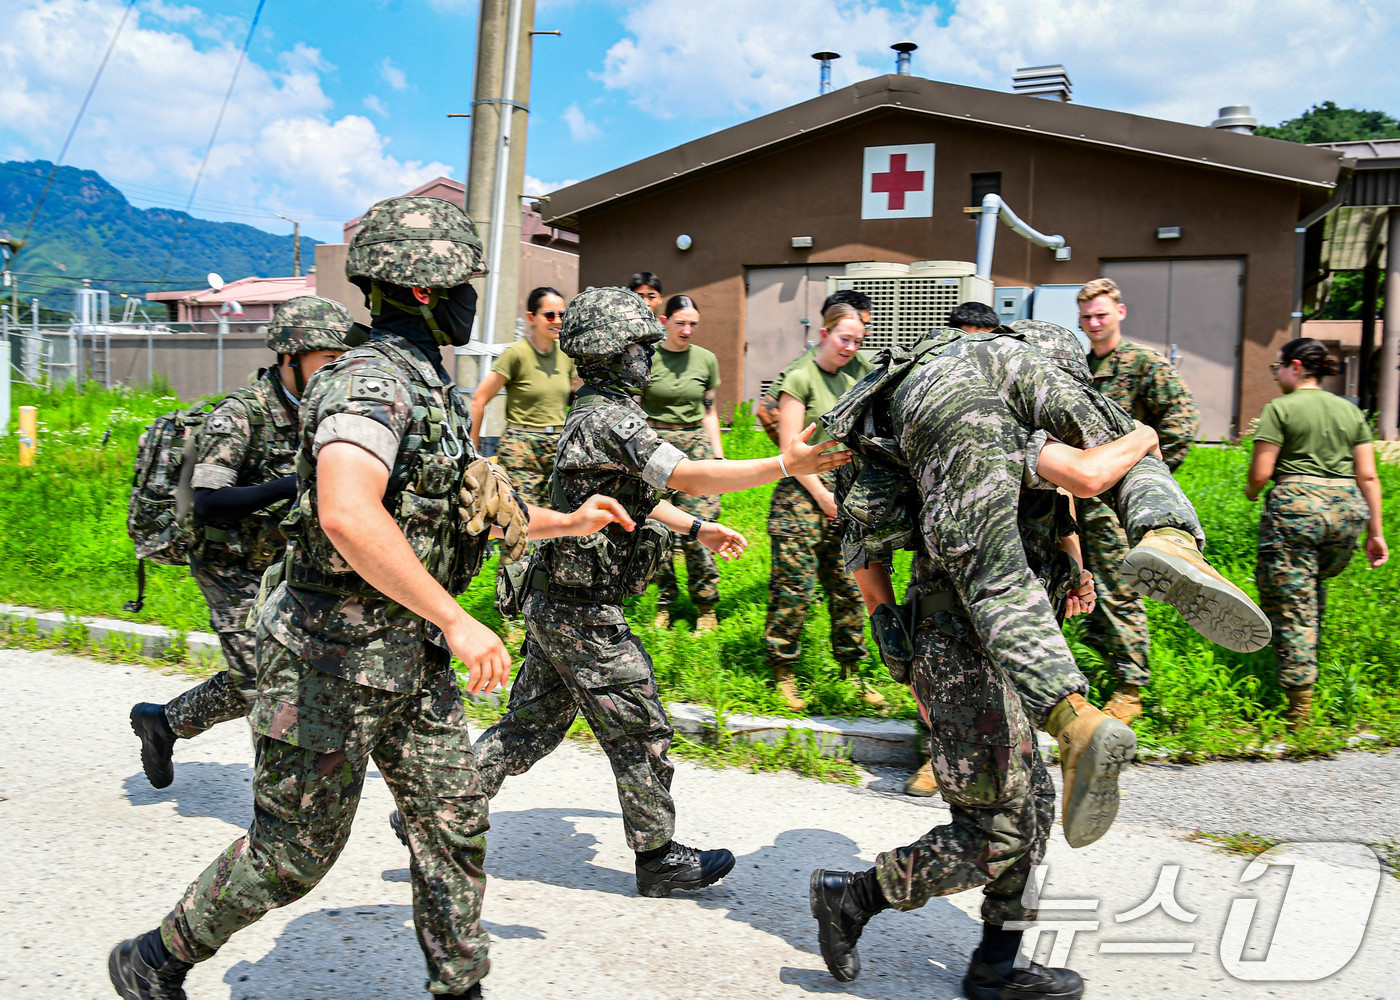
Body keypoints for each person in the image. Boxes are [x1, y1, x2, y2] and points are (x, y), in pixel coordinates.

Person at [108, 196, 631, 1000]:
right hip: (328, 661)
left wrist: (563, 521)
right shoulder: (370, 381)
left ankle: (460, 987)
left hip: (407, 659)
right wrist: (456, 619)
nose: (471, 299)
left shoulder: (425, 380)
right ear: (424, 290)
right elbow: (347, 511)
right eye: (464, 283)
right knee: (292, 856)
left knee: (452, 822)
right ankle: (156, 955)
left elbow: (461, 505)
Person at [809, 320, 1266, 1000]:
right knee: (993, 830)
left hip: (1012, 650)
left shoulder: (984, 430)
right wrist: (1142, 436)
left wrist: (1075, 567)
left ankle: (996, 965)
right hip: (962, 650)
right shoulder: (1014, 436)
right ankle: (854, 896)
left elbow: (1063, 509)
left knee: (1033, 810)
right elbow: (1083, 473)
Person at [468, 286, 851, 899]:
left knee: (531, 727)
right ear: (611, 352)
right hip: (580, 610)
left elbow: (639, 501)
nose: (649, 359)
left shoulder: (594, 411)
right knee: (639, 727)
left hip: (560, 599)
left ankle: (438, 808)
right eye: (639, 348)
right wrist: (786, 465)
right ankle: (657, 858)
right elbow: (689, 473)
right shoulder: (608, 417)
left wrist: (698, 528)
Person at [128, 295, 355, 789]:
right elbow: (207, 501)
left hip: (282, 565)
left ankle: (163, 724)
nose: (334, 373)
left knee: (268, 671)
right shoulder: (240, 416)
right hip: (226, 564)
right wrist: (296, 484)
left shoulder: (321, 413)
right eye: (326, 362)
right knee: (265, 683)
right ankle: (281, 815)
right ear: (290, 358)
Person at [1246, 337, 1388, 728]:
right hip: (1347, 513)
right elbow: (1369, 475)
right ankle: (1307, 664)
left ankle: (1299, 711)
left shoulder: (1280, 409)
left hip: (1298, 510)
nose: (1277, 377)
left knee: (1292, 607)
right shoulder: (1350, 411)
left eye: (1278, 369)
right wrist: (1375, 532)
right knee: (1310, 594)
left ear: (1295, 366)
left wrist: (1252, 491)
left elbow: (1260, 473)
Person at [1077, 277, 1200, 724]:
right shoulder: (1080, 367)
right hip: (1076, 501)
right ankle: (1096, 667)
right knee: (1080, 585)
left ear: (1120, 314)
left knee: (1120, 588)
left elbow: (1182, 417)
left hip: (1114, 505)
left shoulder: (1143, 364)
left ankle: (1131, 688)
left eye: (1101, 315)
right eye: (1087, 316)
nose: (1094, 323)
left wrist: (1147, 478)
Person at [903, 298, 1001, 796]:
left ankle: (999, 762)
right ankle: (937, 755)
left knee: (998, 658)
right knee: (936, 655)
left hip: (1002, 555)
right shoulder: (925, 395)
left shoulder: (1014, 393)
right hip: (938, 554)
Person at [767, 302, 882, 711]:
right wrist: (822, 496)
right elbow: (788, 451)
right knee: (794, 589)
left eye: (857, 340)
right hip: (802, 496)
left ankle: (853, 671)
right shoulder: (800, 378)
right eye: (843, 338)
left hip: (846, 495)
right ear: (824, 333)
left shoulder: (861, 372)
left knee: (851, 588)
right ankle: (783, 671)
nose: (850, 347)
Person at [641, 294, 724, 630]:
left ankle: (706, 605)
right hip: (655, 445)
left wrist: (717, 456)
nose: (687, 330)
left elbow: (709, 410)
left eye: (693, 324)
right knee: (656, 526)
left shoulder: (706, 360)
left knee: (700, 524)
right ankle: (664, 600)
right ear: (664, 323)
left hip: (696, 445)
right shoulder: (647, 358)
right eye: (681, 323)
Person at [469, 285, 576, 503]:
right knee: (524, 516)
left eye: (562, 315)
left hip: (557, 446)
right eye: (549, 315)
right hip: (522, 447)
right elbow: (479, 400)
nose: (557, 320)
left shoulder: (566, 356)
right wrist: (473, 449)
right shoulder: (516, 354)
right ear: (532, 317)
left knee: (557, 518)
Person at [758, 289, 872, 444]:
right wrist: (803, 447)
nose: (867, 332)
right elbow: (766, 410)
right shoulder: (802, 370)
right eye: (863, 323)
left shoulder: (858, 363)